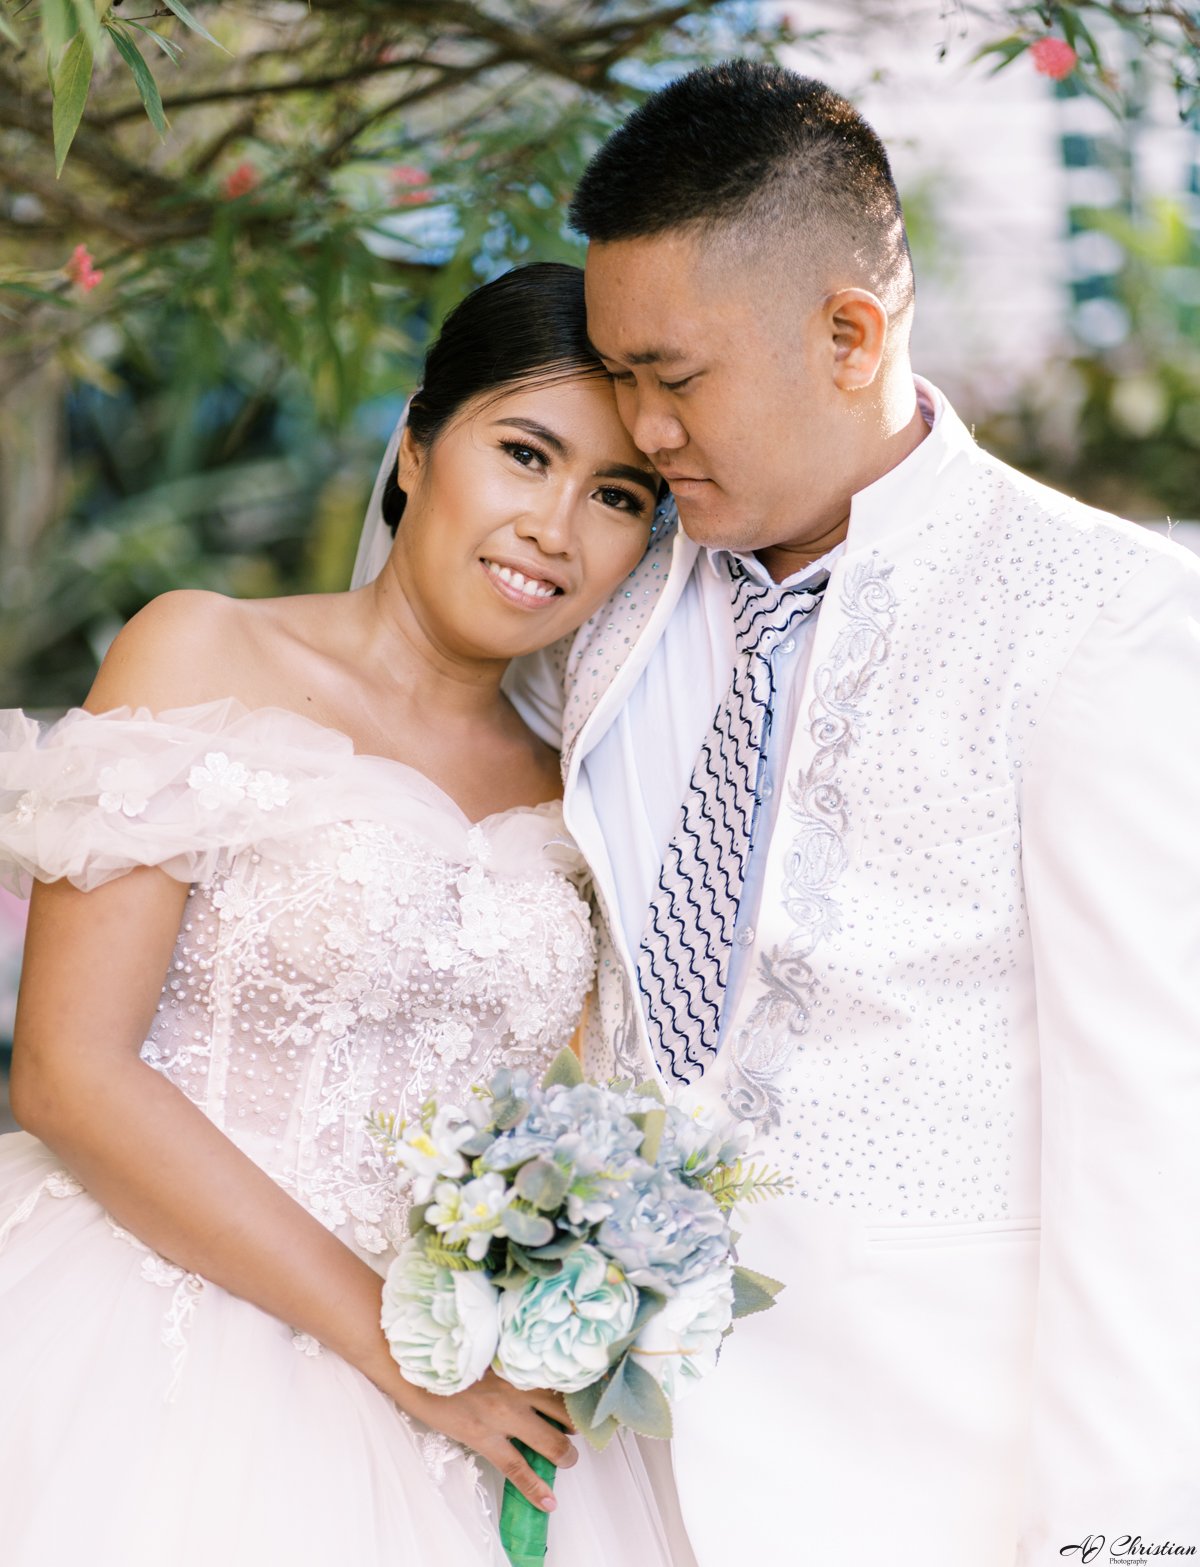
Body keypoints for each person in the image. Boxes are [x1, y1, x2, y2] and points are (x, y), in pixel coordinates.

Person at [508, 62, 1200, 1566]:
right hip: (621, 1470)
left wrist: (1123, 1536)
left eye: (674, 378)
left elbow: (1152, 1125)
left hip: (931, 1481)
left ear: (849, 332)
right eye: (618, 376)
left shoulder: (1104, 620)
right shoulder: (619, 596)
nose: (641, 426)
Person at [0, 262, 686, 1567]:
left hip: (473, 1398)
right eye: (526, 453)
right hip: (164, 1345)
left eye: (618, 497)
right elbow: (67, 1072)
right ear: (421, 443)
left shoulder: (583, 792)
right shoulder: (202, 652)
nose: (556, 526)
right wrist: (399, 1348)